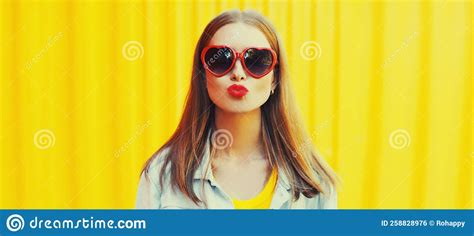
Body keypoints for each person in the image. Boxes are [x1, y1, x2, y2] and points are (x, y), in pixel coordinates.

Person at [136, 9, 339, 209]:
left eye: (257, 61)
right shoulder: (160, 174)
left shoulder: (315, 182)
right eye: (221, 59)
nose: (238, 73)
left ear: (275, 78)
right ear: (203, 75)